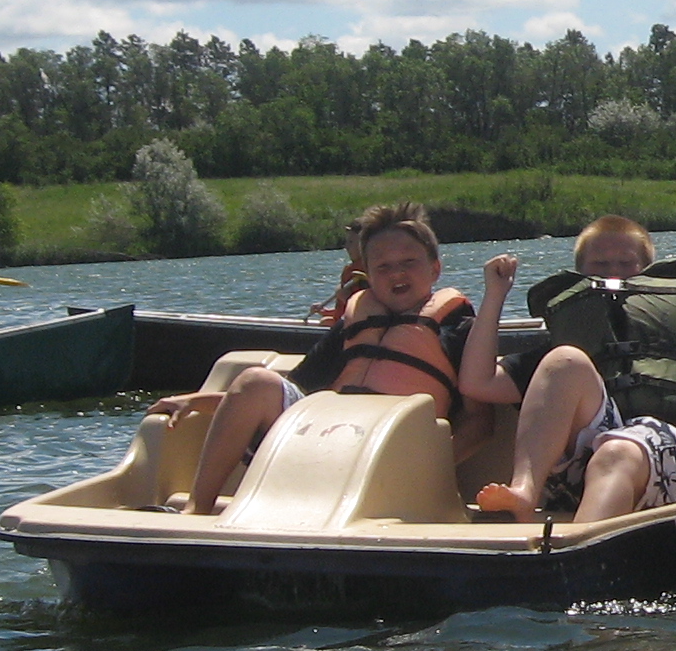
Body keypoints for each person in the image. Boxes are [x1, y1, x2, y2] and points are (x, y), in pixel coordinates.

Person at [467, 215, 676, 523]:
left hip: (675, 455)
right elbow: (478, 382)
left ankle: (580, 555)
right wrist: (495, 295)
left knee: (618, 451)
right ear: (580, 275)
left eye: (625, 264)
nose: (612, 274)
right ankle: (524, 493)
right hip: (582, 468)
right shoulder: (574, 326)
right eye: (600, 265)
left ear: (648, 271)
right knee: (564, 360)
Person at [152, 203, 471, 516]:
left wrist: (431, 469)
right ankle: (198, 509)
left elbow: (481, 421)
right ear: (369, 276)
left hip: (398, 454)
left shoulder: (456, 325)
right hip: (330, 446)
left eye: (409, 262)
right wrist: (196, 401)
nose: (396, 274)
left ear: (435, 269)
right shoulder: (355, 324)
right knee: (255, 381)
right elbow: (287, 396)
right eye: (383, 267)